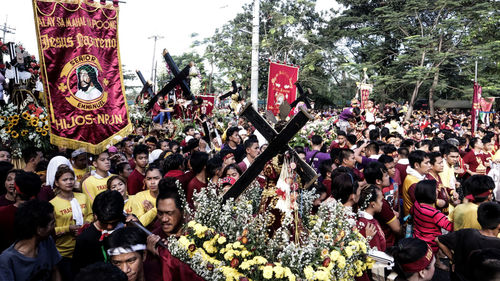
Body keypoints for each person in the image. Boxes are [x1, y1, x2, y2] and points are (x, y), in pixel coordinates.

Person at [437, 201, 500, 281]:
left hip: (459, 277)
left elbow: (438, 240)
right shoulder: (497, 244)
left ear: (478, 219)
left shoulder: (466, 233)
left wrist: (454, 260)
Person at [0, 200, 62, 281]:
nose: (54, 226)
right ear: (40, 230)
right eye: (52, 223)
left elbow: (55, 271)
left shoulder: (47, 241)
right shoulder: (7, 260)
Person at [50, 165, 93, 281]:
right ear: (57, 183)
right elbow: (50, 230)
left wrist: (86, 225)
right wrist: (68, 228)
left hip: (85, 248)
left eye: (71, 179)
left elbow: (90, 215)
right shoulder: (53, 204)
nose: (69, 182)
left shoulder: (83, 197)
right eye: (64, 180)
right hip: (64, 253)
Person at [72, 190, 125, 273]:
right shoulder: (85, 239)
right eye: (105, 223)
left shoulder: (127, 225)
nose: (109, 226)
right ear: (95, 216)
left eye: (114, 222)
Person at [0, 171, 42, 252]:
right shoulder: (45, 212)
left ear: (15, 191)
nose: (11, 183)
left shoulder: (2, 213)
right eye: (9, 179)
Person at [411, 180, 453, 254]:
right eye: (435, 190)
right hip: (431, 245)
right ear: (429, 193)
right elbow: (450, 227)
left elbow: (411, 212)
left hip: (418, 239)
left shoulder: (416, 204)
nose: (437, 191)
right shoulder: (434, 214)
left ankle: (437, 262)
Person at [356, 185, 386, 252]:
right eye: (381, 200)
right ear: (373, 204)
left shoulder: (369, 221)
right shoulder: (368, 226)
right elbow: (376, 252)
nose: (382, 203)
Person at [402, 150, 431, 216]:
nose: (430, 166)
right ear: (416, 165)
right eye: (426, 163)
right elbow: (423, 206)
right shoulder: (413, 183)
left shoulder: (421, 176)